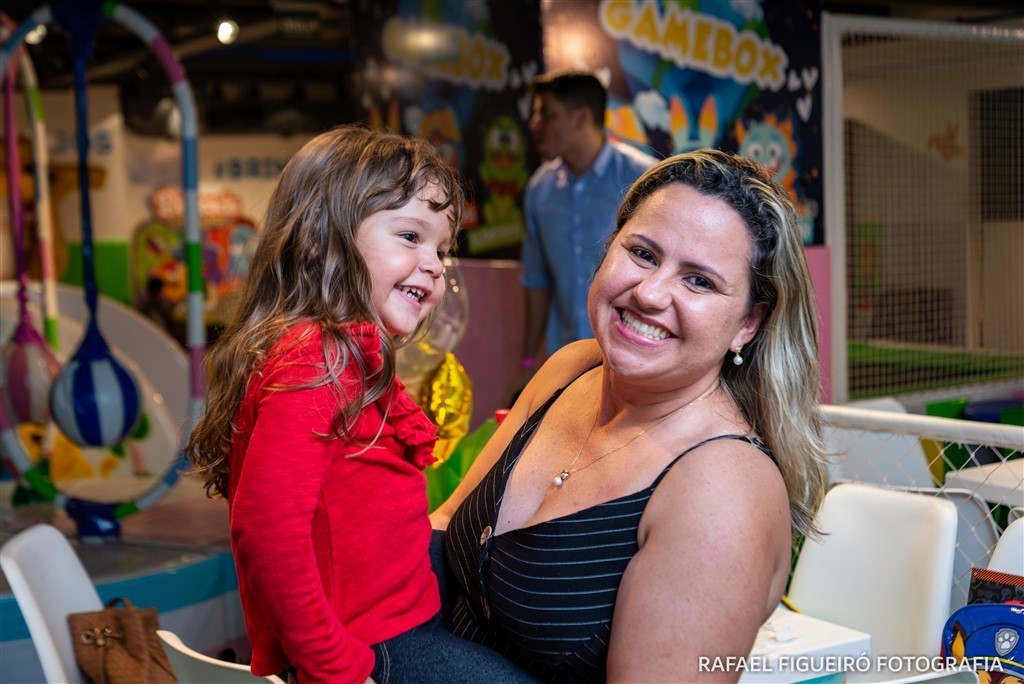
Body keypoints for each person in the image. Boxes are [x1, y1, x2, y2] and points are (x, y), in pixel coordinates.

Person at [432, 149, 828, 682]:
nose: (649, 293)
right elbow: (445, 524)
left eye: (699, 281)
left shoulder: (724, 489)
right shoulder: (572, 368)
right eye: (642, 253)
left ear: (748, 324)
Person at [185, 127, 533, 684]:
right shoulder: (317, 360)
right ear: (321, 236)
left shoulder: (342, 353)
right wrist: (336, 666)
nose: (434, 265)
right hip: (375, 643)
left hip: (395, 617)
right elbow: (266, 532)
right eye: (411, 236)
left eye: (442, 250)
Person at [513, 69, 657, 398]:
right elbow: (537, 280)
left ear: (580, 118)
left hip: (633, 362)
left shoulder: (643, 179)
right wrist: (527, 361)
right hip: (566, 366)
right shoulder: (539, 189)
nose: (535, 124)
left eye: (547, 114)